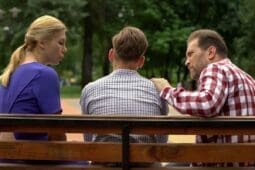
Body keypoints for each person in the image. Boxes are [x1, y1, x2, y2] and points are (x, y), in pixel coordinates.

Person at [151, 29, 255, 167]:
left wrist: (167, 90)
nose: (186, 62)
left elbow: (207, 103)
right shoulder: (248, 79)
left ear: (210, 53)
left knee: (168, 166)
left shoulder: (216, 68)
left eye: (190, 54)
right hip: (246, 164)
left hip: (221, 164)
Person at [80, 26, 169, 167]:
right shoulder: (157, 91)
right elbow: (161, 140)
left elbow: (89, 138)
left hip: (104, 165)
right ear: (141, 61)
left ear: (111, 55)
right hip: (143, 165)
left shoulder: (90, 89)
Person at [0, 15, 67, 141]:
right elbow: (57, 133)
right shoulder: (44, 74)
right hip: (32, 157)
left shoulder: (10, 72)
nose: (65, 49)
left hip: (7, 156)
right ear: (42, 42)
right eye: (61, 43)